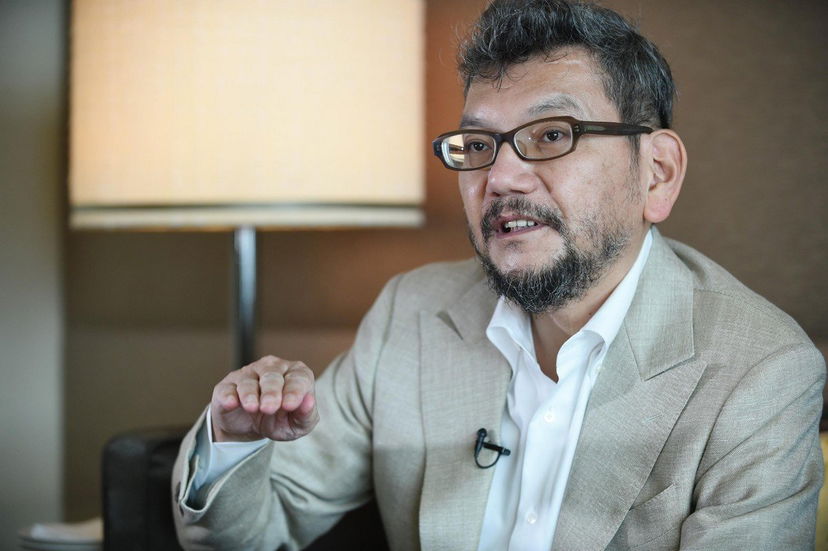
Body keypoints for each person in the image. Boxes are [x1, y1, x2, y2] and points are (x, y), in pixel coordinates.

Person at [172, 1, 825, 549]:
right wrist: (234, 443)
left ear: (656, 173)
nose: (502, 178)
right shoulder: (411, 312)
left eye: (553, 135)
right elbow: (253, 530)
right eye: (479, 146)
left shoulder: (762, 372)